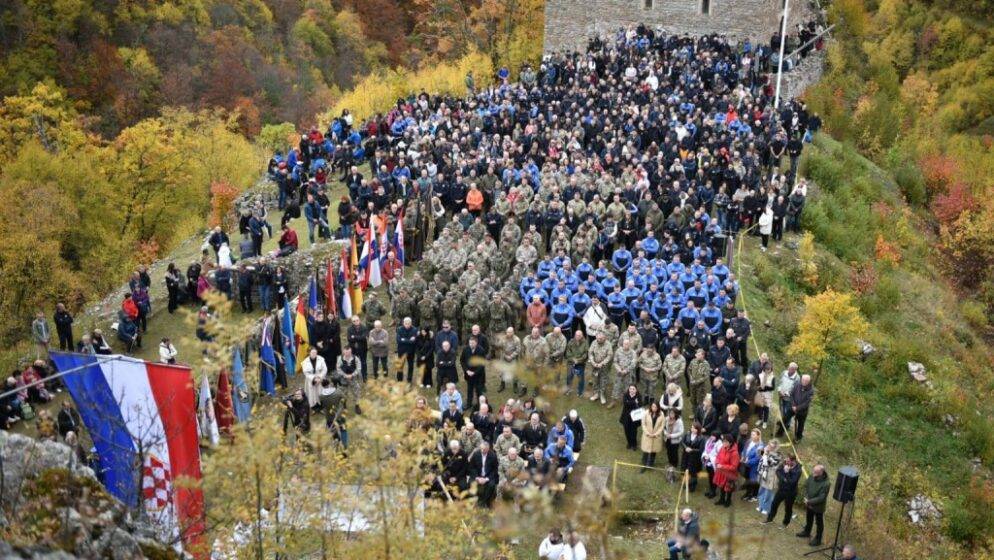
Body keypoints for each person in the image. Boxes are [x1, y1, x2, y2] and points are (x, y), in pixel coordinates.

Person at [762, 454, 802, 527]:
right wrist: (783, 478)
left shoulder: (798, 470)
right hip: (781, 489)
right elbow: (778, 471)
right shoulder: (785, 463)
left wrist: (787, 472)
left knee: (788, 508)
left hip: (791, 492)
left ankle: (785, 523)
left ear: (794, 461)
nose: (787, 462)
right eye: (786, 460)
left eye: (788, 461)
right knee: (774, 503)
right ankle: (770, 518)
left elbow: (792, 482)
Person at [797, 464, 831, 546]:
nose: (813, 473)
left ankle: (818, 539)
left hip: (818, 507)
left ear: (822, 472)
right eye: (814, 471)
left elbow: (821, 498)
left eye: (816, 472)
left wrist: (809, 501)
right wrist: (806, 497)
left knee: (819, 523)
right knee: (809, 518)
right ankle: (807, 531)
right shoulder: (811, 476)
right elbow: (806, 486)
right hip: (809, 503)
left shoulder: (826, 483)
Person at [467, 440, 498, 507]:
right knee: (471, 483)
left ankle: (483, 502)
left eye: (484, 449)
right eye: (481, 448)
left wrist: (486, 479)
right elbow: (472, 467)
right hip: (477, 475)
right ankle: (474, 501)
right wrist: (477, 478)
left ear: (488, 449)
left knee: (491, 485)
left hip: (487, 476)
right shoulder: (476, 454)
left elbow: (494, 470)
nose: (482, 450)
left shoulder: (493, 456)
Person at [712, 434, 741, 507]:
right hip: (721, 472)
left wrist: (722, 466)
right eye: (723, 441)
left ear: (730, 443)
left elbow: (734, 467)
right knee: (721, 486)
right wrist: (717, 462)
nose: (723, 443)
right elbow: (718, 456)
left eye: (725, 442)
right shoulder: (722, 448)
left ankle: (728, 500)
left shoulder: (735, 453)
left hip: (729, 474)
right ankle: (722, 499)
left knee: (728, 488)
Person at [640, 401, 665, 472]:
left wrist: (656, 434)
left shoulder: (661, 414)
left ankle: (650, 464)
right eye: (653, 406)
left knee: (654, 452)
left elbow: (662, 426)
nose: (654, 408)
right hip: (647, 436)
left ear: (658, 407)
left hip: (656, 437)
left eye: (655, 407)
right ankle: (644, 465)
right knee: (646, 451)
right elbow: (643, 424)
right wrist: (647, 433)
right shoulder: (646, 413)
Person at [681, 422, 705, 492]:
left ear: (698, 430)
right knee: (685, 469)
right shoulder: (687, 434)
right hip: (686, 455)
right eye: (692, 427)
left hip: (695, 458)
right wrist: (686, 447)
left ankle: (693, 486)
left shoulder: (701, 438)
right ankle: (686, 483)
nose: (692, 429)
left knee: (693, 472)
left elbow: (701, 449)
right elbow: (682, 442)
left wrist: (692, 450)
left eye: (694, 428)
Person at [396, 317, 418, 383]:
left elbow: (414, 341)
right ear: (403, 323)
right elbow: (398, 340)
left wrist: (404, 340)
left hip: (411, 351)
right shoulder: (399, 329)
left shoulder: (414, 330)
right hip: (401, 351)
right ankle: (399, 380)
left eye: (409, 323)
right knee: (400, 366)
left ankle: (409, 380)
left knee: (411, 366)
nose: (407, 325)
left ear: (411, 323)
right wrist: (409, 340)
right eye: (406, 323)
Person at [620, 385, 641, 450]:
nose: (631, 390)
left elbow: (640, 405)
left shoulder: (639, 396)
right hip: (626, 417)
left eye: (633, 389)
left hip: (634, 417)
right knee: (627, 430)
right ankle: (629, 443)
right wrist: (634, 402)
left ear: (636, 390)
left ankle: (634, 444)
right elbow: (625, 404)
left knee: (634, 431)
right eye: (630, 389)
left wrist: (629, 402)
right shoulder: (626, 395)